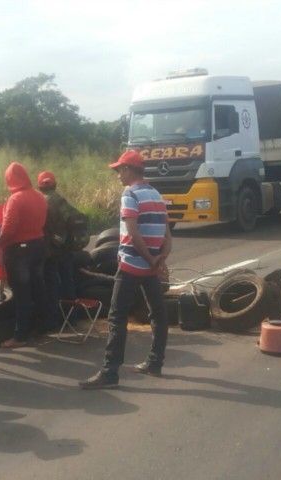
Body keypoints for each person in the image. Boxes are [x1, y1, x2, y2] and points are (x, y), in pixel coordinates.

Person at [80, 150, 172, 389]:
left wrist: (150, 261)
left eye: (119, 170)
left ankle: (110, 373)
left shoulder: (129, 194)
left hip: (131, 266)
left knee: (116, 317)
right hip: (151, 268)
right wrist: (159, 260)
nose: (118, 175)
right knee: (158, 315)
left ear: (128, 170)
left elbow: (132, 233)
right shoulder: (156, 195)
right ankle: (155, 362)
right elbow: (167, 235)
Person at [0, 162, 48, 348]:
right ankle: (42, 327)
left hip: (20, 250)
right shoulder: (39, 196)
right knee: (38, 288)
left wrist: (0, 241)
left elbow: (9, 227)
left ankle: (20, 336)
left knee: (21, 292)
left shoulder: (15, 199)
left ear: (10, 179)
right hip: (39, 244)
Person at [37, 171, 77, 330]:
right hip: (66, 247)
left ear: (39, 186)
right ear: (55, 184)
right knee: (68, 280)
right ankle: (71, 318)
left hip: (51, 249)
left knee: (51, 283)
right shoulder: (62, 201)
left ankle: (53, 321)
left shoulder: (42, 202)